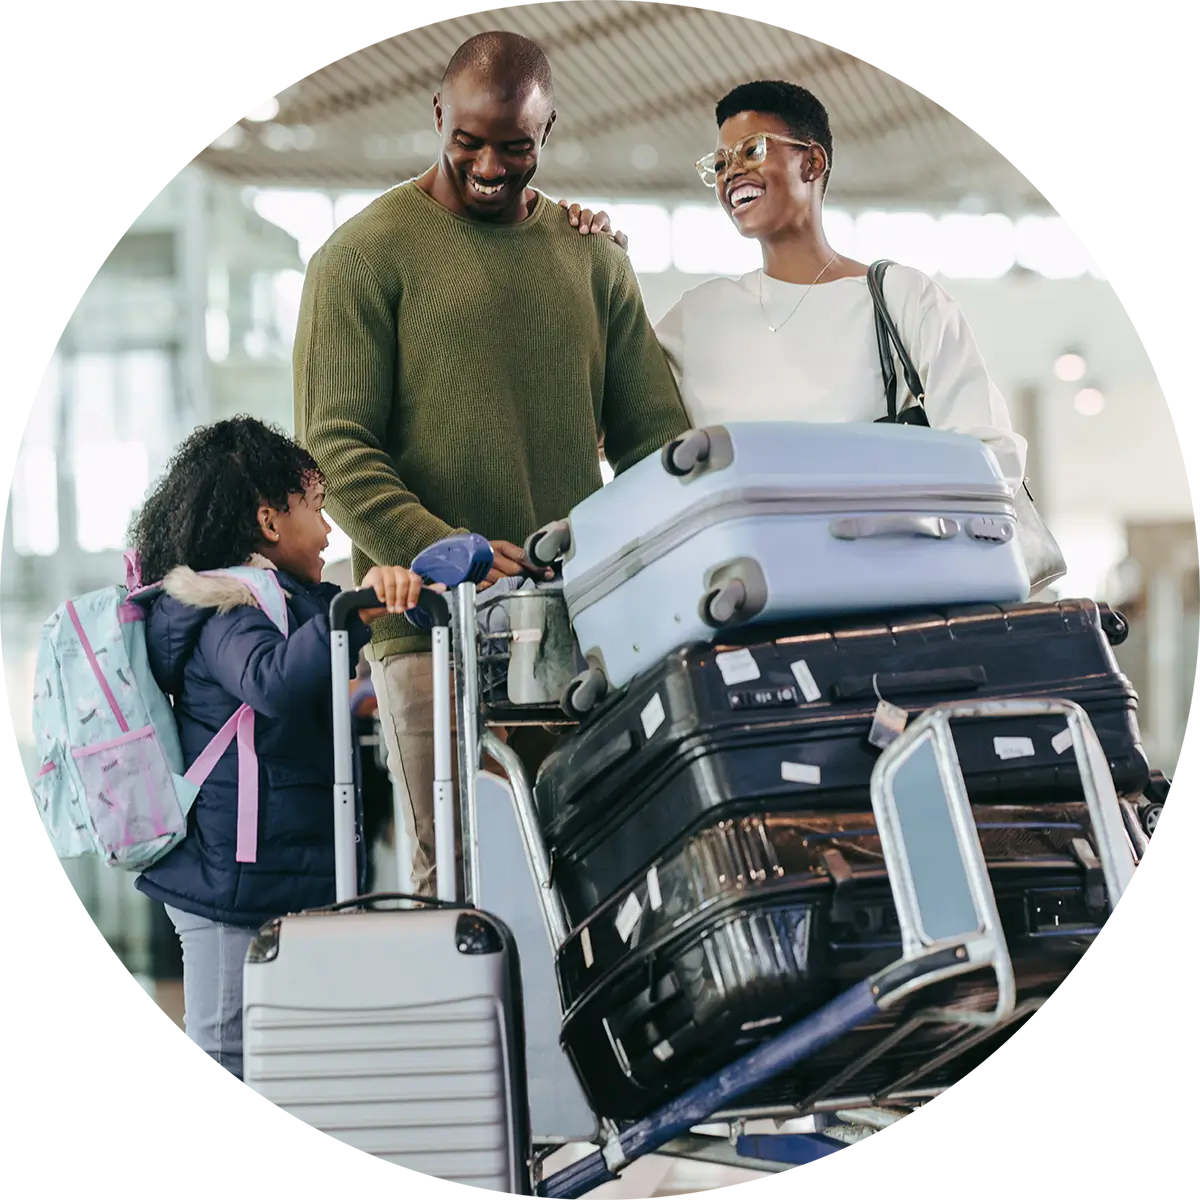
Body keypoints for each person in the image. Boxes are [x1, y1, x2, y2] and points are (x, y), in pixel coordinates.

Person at [294, 30, 690, 897]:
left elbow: (655, 442)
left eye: (513, 146)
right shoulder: (360, 258)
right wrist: (453, 550)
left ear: (546, 132)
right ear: (438, 115)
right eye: (467, 140)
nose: (487, 164)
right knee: (465, 883)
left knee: (600, 874)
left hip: (577, 626)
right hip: (428, 631)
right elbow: (336, 445)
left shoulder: (593, 259)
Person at [127, 416, 430, 1083]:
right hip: (232, 875)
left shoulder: (276, 600)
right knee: (226, 1051)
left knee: (272, 1049)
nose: (328, 533)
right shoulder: (228, 603)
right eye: (318, 511)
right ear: (269, 521)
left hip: (263, 862)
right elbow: (270, 682)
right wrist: (354, 613)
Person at [655, 79, 1027, 490]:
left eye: (751, 150)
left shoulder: (899, 299)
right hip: (745, 554)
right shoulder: (698, 317)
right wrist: (592, 253)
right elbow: (601, 416)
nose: (732, 173)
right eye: (720, 164)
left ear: (812, 163)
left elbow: (990, 456)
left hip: (882, 550)